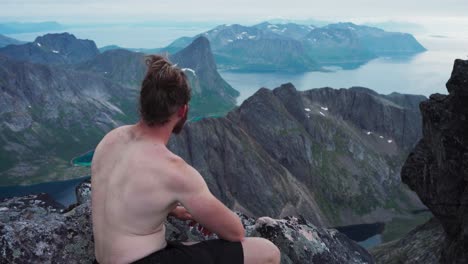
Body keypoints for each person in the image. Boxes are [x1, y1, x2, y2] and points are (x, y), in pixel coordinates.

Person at [91, 55, 281, 264]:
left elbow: (127, 192)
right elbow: (235, 232)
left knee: (189, 247)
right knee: (268, 251)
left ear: (143, 103)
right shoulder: (175, 171)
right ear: (183, 110)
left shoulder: (111, 139)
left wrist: (172, 210)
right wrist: (204, 214)